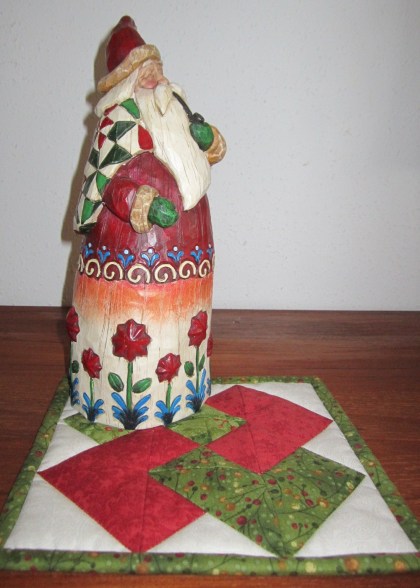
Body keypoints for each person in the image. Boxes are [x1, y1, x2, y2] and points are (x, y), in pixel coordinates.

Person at [66, 16, 226, 430]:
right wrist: (141, 202)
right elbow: (108, 183)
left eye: (157, 68)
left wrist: (208, 141)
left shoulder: (177, 113)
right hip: (128, 254)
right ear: (126, 82)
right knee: (134, 328)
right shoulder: (117, 123)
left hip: (190, 248)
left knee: (183, 327)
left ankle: (186, 390)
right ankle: (114, 401)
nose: (156, 78)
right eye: (146, 72)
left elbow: (204, 156)